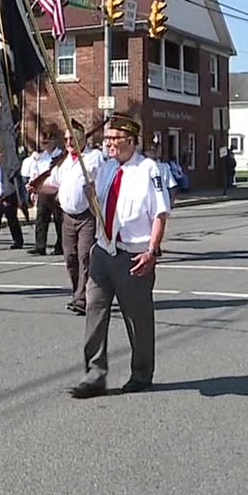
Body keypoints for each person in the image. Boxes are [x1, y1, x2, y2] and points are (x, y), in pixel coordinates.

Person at [71, 113, 169, 399]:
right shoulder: (107, 169)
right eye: (107, 139)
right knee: (95, 311)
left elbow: (160, 214)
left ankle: (141, 373)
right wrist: (91, 197)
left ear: (131, 140)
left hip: (134, 255)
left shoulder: (150, 170)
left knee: (137, 318)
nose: (108, 143)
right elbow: (100, 212)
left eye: (114, 139)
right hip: (103, 251)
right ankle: (94, 374)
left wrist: (152, 251)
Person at [35, 121, 104, 315]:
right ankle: (78, 292)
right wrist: (37, 187)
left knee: (84, 256)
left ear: (82, 138)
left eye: (72, 138)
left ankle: (82, 298)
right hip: (67, 216)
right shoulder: (64, 161)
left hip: (87, 216)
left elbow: (99, 179)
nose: (68, 142)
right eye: (65, 139)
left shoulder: (93, 157)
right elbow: (53, 184)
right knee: (70, 258)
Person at [30, 131, 64, 255]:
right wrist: (33, 190)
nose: (45, 144)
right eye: (43, 142)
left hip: (56, 190)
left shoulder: (61, 156)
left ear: (54, 141)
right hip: (43, 191)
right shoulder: (41, 157)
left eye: (47, 142)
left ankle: (60, 246)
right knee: (41, 219)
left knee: (59, 220)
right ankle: (40, 246)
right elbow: (35, 174)